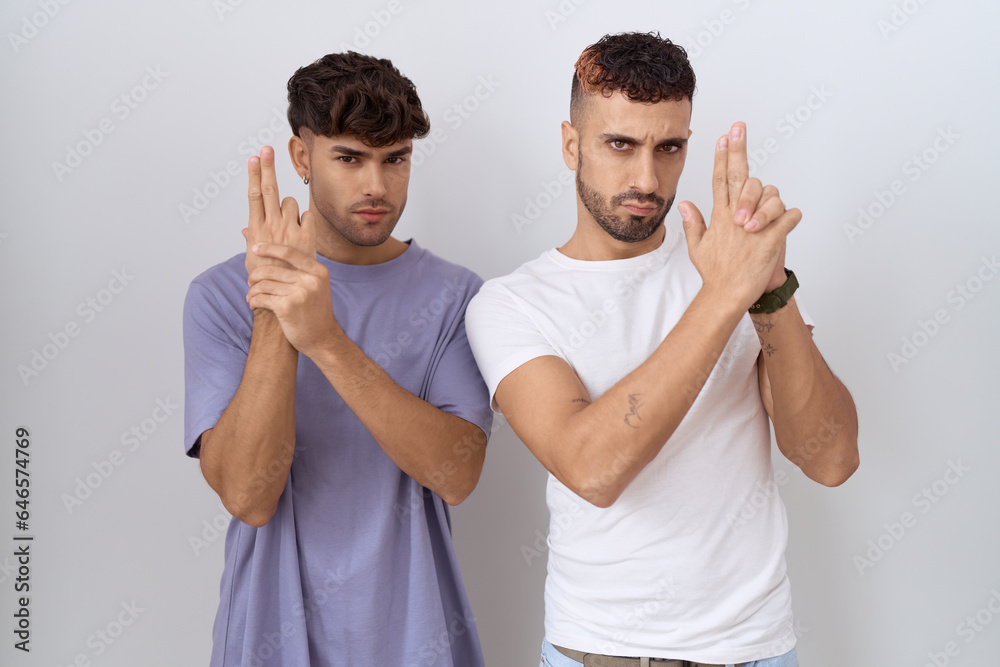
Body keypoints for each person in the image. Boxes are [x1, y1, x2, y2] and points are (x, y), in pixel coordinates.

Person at [465, 32, 859, 667]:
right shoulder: (512, 304)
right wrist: (724, 294)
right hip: (602, 653)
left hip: (755, 650)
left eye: (669, 147)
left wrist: (770, 293)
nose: (647, 178)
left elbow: (831, 458)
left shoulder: (738, 270)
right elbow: (593, 470)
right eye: (620, 144)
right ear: (572, 145)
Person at [182, 51, 492, 666]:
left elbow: (457, 477)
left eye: (394, 159)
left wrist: (324, 339)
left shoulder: (457, 297)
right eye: (349, 159)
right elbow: (247, 496)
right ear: (302, 157)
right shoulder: (219, 296)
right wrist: (274, 310)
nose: (376, 186)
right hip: (267, 640)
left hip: (416, 641)